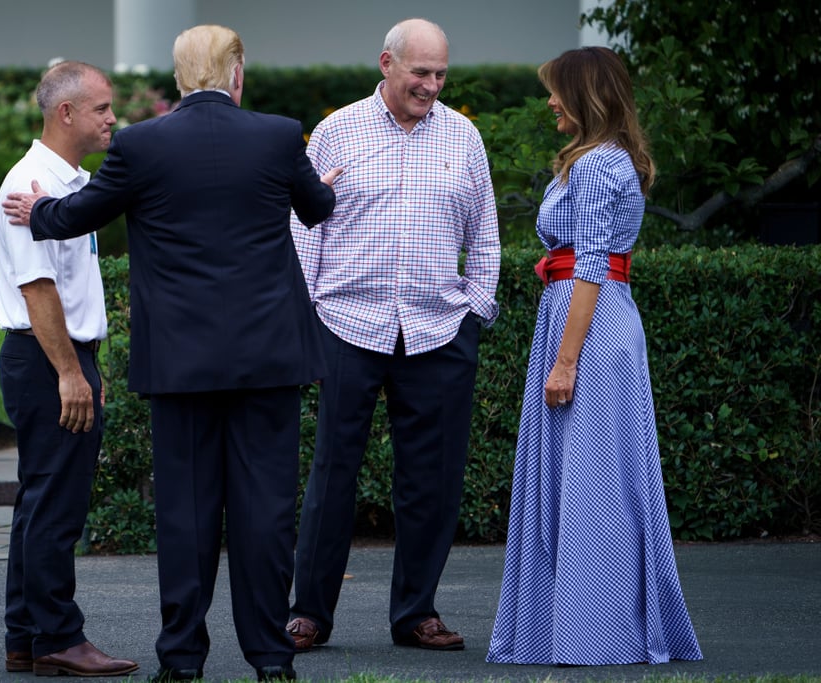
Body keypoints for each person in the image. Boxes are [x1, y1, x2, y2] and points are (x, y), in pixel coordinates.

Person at [2, 25, 341, 682]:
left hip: (180, 362)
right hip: (269, 358)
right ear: (236, 74)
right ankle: (271, 658)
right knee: (265, 511)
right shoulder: (277, 135)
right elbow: (318, 207)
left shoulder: (141, 144)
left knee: (184, 514)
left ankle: (182, 659)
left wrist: (39, 210)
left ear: (181, 79)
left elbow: (79, 215)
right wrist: (315, 184)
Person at [286, 17, 500, 653]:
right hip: (347, 324)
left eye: (440, 75)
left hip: (438, 330)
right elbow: (304, 225)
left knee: (431, 480)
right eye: (420, 73)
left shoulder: (463, 136)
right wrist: (308, 309)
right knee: (332, 473)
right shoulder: (336, 130)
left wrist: (476, 309)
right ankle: (310, 614)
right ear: (387, 63)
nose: (431, 86)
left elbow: (484, 232)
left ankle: (416, 613)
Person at [485, 47, 703, 666]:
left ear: (585, 96)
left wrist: (565, 359)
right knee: (592, 475)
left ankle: (594, 631)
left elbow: (589, 266)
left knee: (591, 479)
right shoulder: (601, 160)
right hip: (591, 318)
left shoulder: (596, 167)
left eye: (557, 91)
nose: (550, 101)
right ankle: (583, 626)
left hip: (589, 323)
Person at [0, 61, 139, 677]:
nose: (113, 119)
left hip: (56, 357)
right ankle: (58, 637)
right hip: (48, 356)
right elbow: (37, 290)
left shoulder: (72, 181)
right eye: (103, 108)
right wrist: (71, 374)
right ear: (66, 113)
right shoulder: (30, 183)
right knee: (57, 505)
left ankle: (26, 636)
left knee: (39, 499)